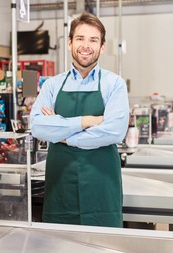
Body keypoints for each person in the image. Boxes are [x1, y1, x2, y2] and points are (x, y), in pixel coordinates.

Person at [30, 12, 130, 227]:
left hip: (101, 185)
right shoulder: (52, 85)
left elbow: (114, 131)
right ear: (69, 43)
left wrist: (63, 134)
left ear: (102, 47)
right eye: (80, 39)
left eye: (93, 40)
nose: (86, 45)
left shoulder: (114, 84)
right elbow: (37, 126)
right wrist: (85, 121)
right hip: (60, 186)